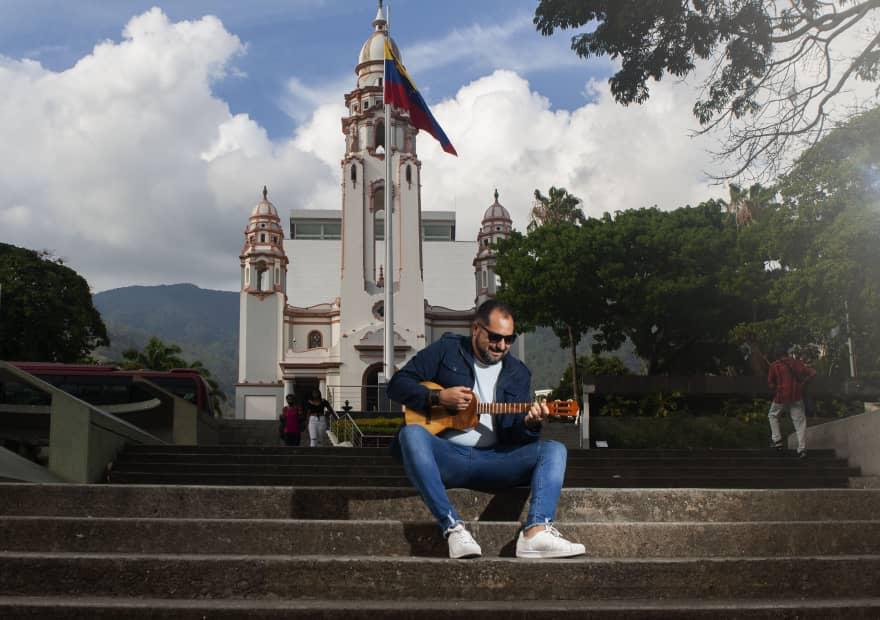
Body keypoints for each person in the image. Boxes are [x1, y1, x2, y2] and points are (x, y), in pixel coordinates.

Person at [386, 299, 585, 560]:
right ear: (476, 329)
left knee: (554, 450)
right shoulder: (447, 350)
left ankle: (536, 532)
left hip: (496, 460)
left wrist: (530, 424)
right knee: (410, 434)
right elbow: (397, 385)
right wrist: (437, 398)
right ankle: (453, 528)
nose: (501, 346)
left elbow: (516, 436)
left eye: (508, 339)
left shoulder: (518, 372)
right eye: (494, 337)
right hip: (447, 458)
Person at [767, 347, 816, 458]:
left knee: (772, 415)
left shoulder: (774, 365)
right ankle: (802, 449)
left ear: (776, 355)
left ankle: (777, 440)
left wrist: (776, 387)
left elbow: (770, 383)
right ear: (786, 354)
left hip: (781, 396)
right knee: (799, 423)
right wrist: (803, 384)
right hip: (796, 396)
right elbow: (813, 373)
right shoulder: (796, 363)